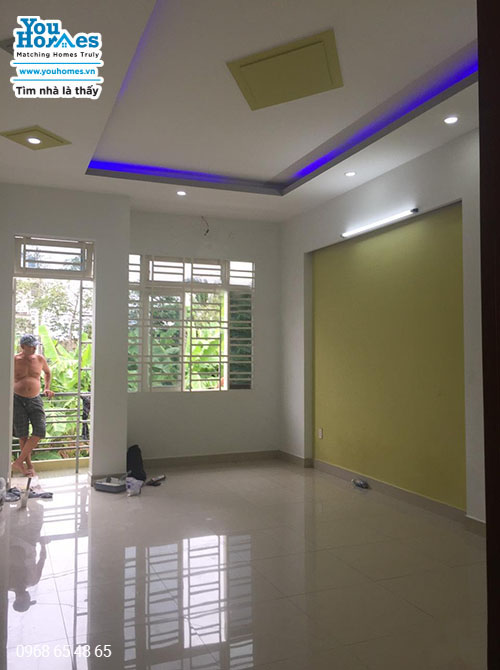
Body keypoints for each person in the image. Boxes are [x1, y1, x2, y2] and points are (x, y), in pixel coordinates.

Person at [12, 334, 55, 477]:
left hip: (35, 399)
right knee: (22, 434)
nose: (35, 348)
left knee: (40, 430)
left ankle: (18, 461)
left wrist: (47, 388)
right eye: (31, 346)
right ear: (22, 346)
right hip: (17, 399)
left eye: (35, 345)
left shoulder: (40, 359)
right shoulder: (14, 360)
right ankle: (29, 466)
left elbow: (47, 372)